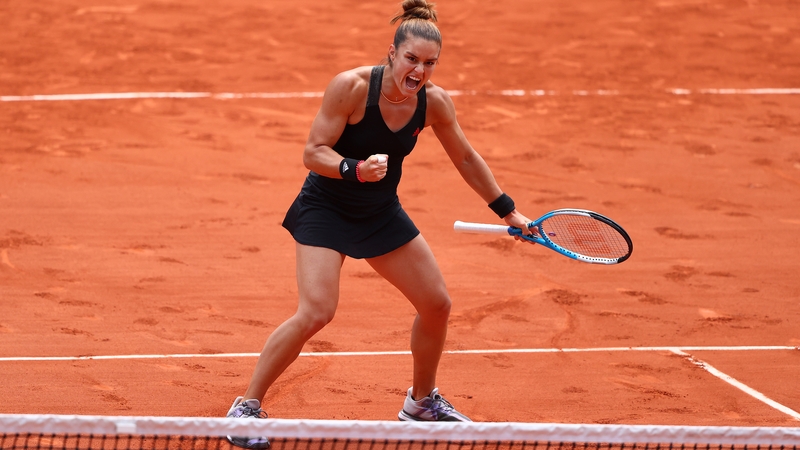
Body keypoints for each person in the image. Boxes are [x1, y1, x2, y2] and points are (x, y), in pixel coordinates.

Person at [225, 0, 534, 447]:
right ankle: (246, 409)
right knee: (316, 311)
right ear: (392, 53)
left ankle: (421, 403)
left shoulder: (434, 104)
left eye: (429, 64)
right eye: (411, 59)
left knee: (437, 304)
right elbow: (314, 152)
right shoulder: (350, 87)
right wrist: (353, 169)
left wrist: (509, 211)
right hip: (326, 207)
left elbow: (466, 157)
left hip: (379, 213)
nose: (419, 71)